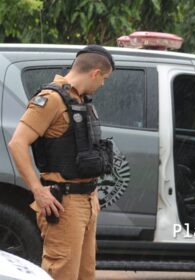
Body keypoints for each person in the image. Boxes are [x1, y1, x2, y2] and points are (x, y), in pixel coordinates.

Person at [8, 45, 115, 280]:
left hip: (87, 201)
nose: (103, 84)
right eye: (104, 78)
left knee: (85, 274)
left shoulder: (81, 100)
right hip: (64, 202)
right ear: (95, 73)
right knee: (62, 273)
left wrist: (93, 193)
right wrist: (38, 191)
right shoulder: (50, 99)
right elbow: (17, 143)